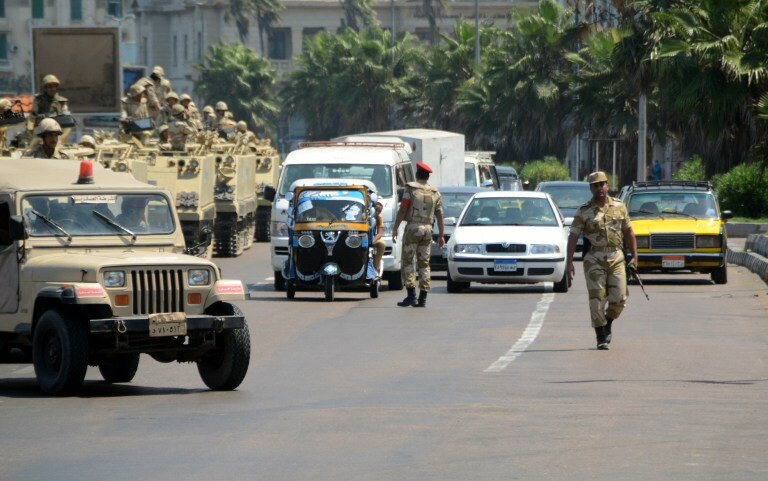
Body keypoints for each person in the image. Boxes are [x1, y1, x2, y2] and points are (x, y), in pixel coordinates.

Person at [566, 171, 637, 350]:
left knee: (620, 298)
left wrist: (634, 256)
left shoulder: (619, 206)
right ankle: (600, 335)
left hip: (616, 257)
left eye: (602, 184)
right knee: (597, 298)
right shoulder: (583, 211)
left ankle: (608, 323)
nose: (600, 188)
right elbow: (573, 237)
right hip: (594, 258)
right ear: (591, 188)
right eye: (596, 185)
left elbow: (629, 231)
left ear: (607, 185)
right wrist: (569, 262)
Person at [393, 162, 444, 308]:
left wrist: (396, 228)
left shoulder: (411, 188)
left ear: (417, 174)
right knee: (424, 263)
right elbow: (440, 216)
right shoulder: (435, 192)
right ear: (427, 176)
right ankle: (423, 298)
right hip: (428, 229)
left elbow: (403, 209)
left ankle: (411, 295)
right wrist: (440, 236)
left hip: (413, 228)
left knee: (408, 261)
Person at [371, 201, 386, 277]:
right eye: (376, 210)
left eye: (379, 211)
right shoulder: (364, 216)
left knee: (382, 244)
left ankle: (375, 267)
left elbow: (380, 233)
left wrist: (373, 240)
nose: (377, 212)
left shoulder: (379, 218)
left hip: (372, 240)